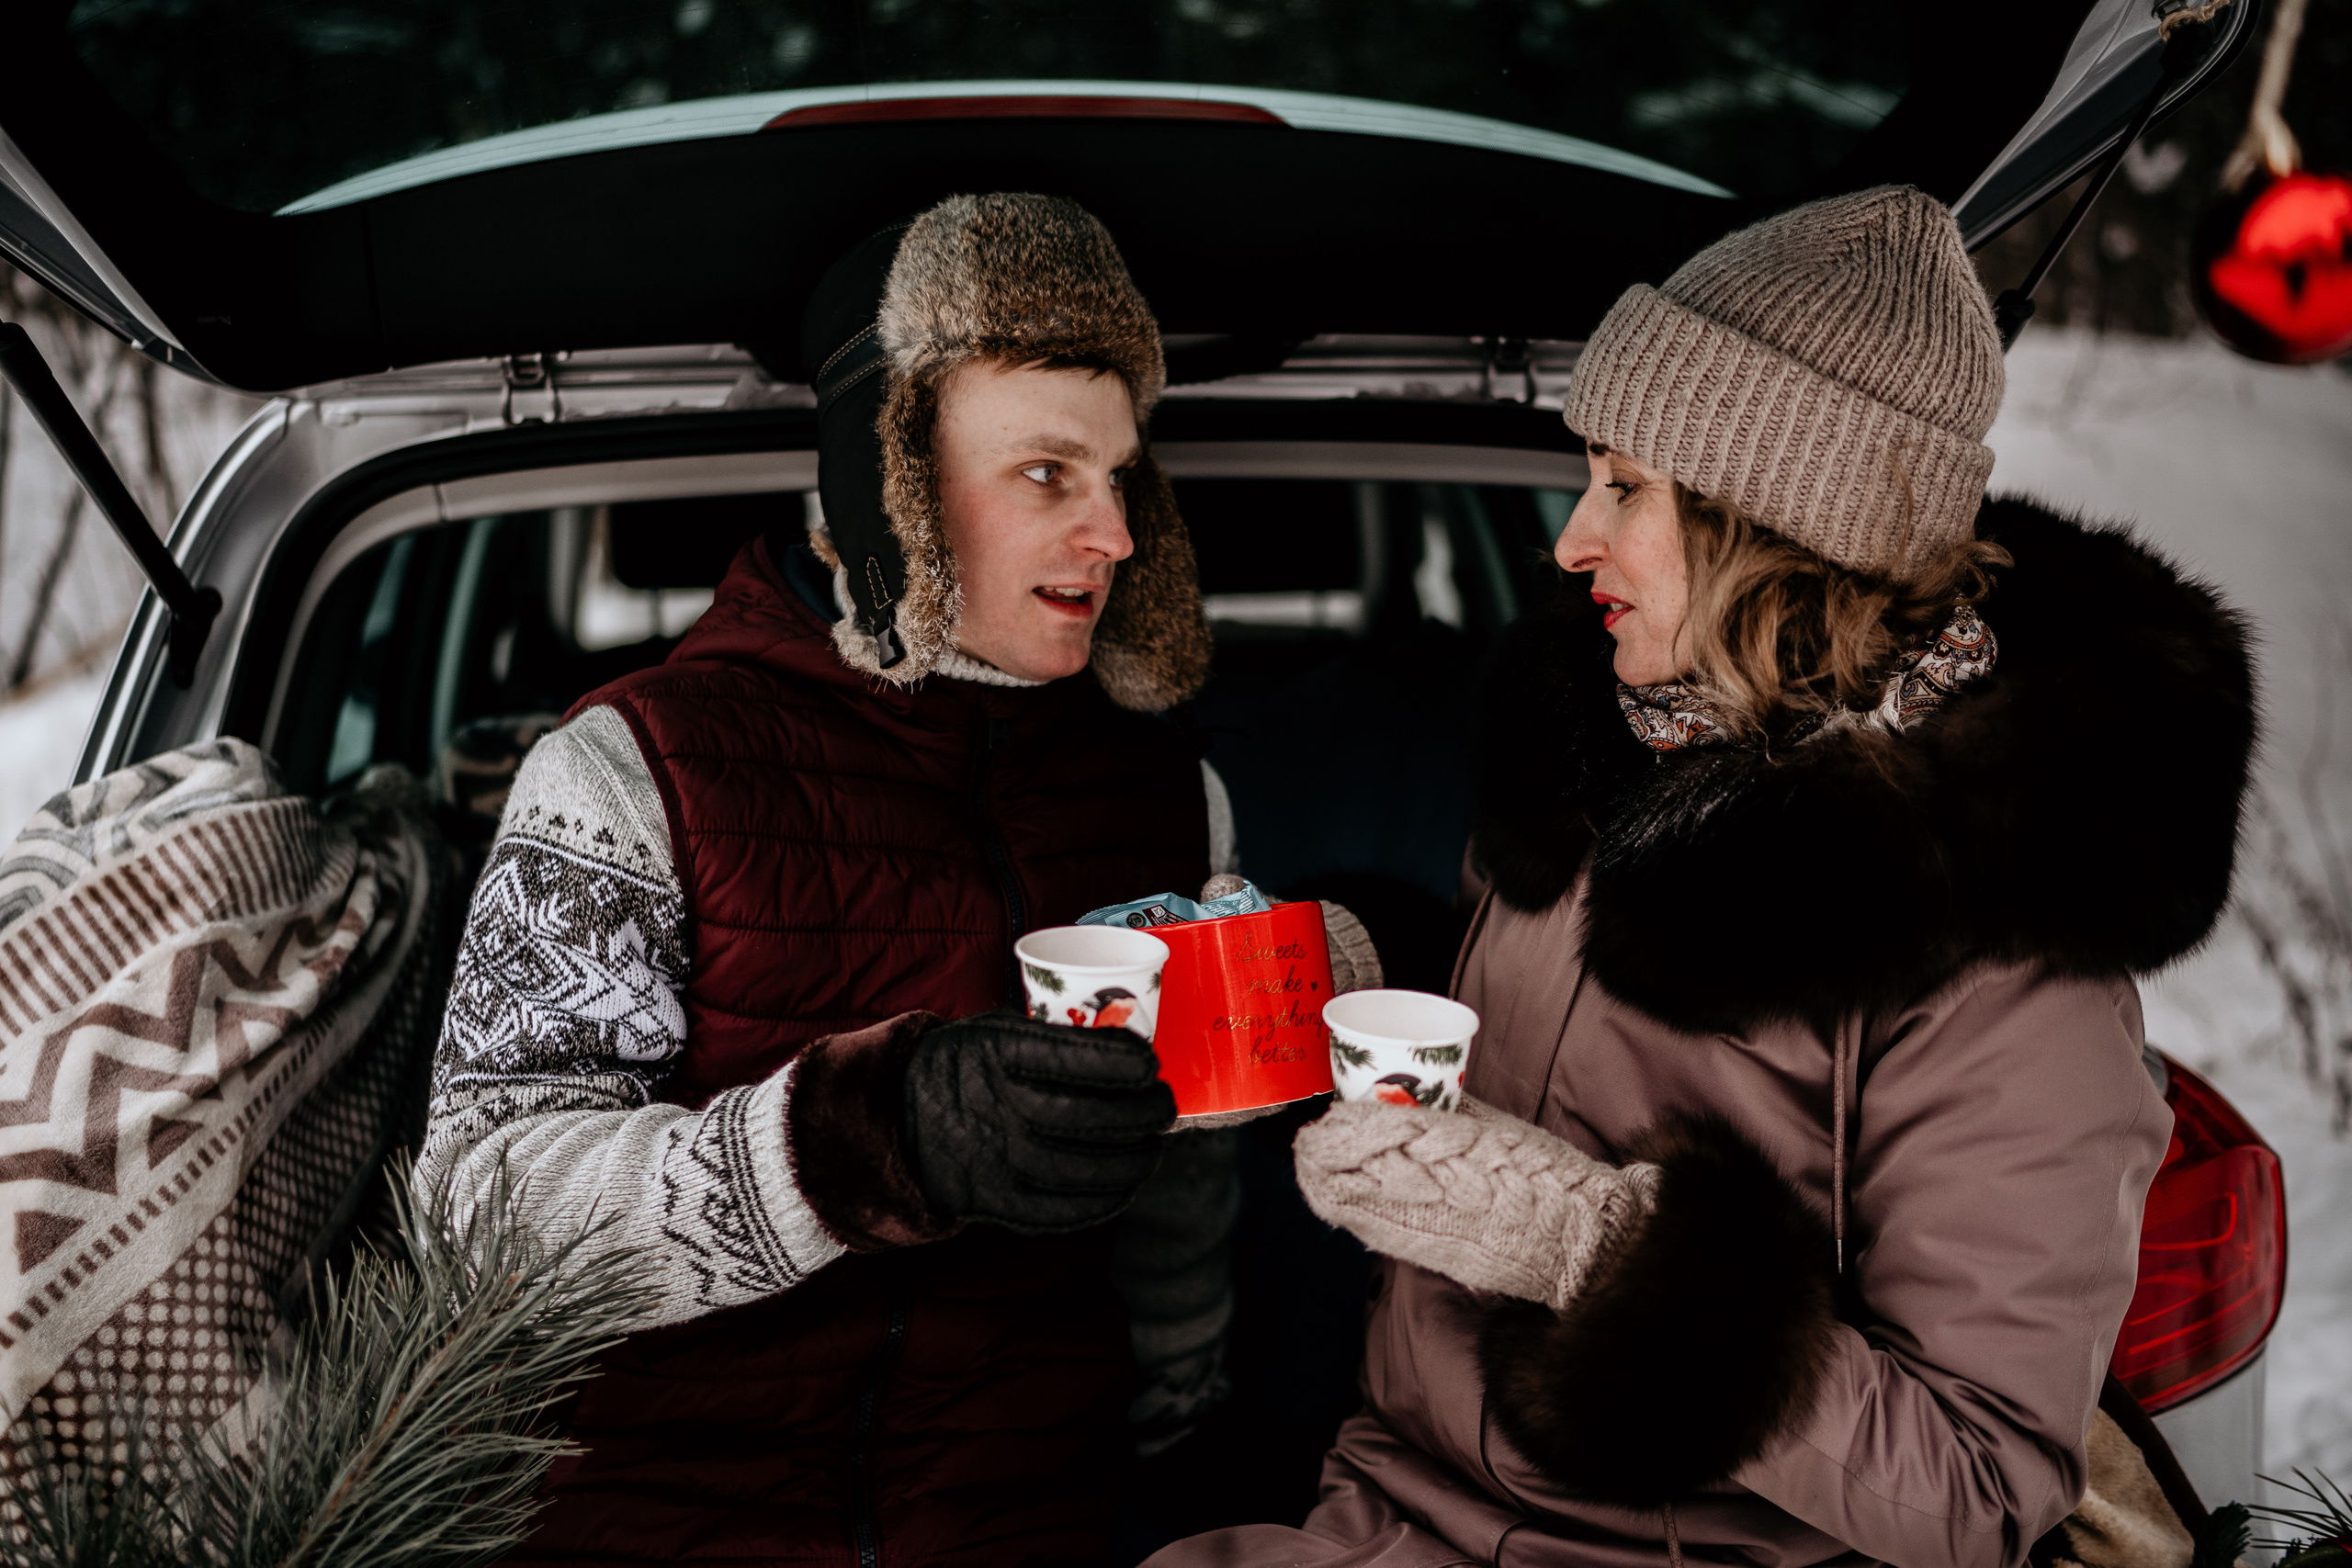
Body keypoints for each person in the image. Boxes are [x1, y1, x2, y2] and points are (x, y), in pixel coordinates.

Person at [1147, 186, 2256, 1568]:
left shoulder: (2002, 952)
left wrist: (1592, 1256)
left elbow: (1981, 1488)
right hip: (1379, 1517)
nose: (1571, 542)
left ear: (1774, 524)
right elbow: (1542, 1057)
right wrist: (1323, 988)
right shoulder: (1601, 753)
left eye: (1625, 488)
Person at [417, 192, 1376, 1566]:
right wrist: (861, 1143)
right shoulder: (634, 767)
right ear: (896, 483)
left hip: (1025, 1519)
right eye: (1047, 472)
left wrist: (1179, 1419)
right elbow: (481, 1222)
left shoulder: (1169, 795)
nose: (1114, 530)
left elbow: (1173, 1187)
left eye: (1124, 476)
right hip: (658, 1520)